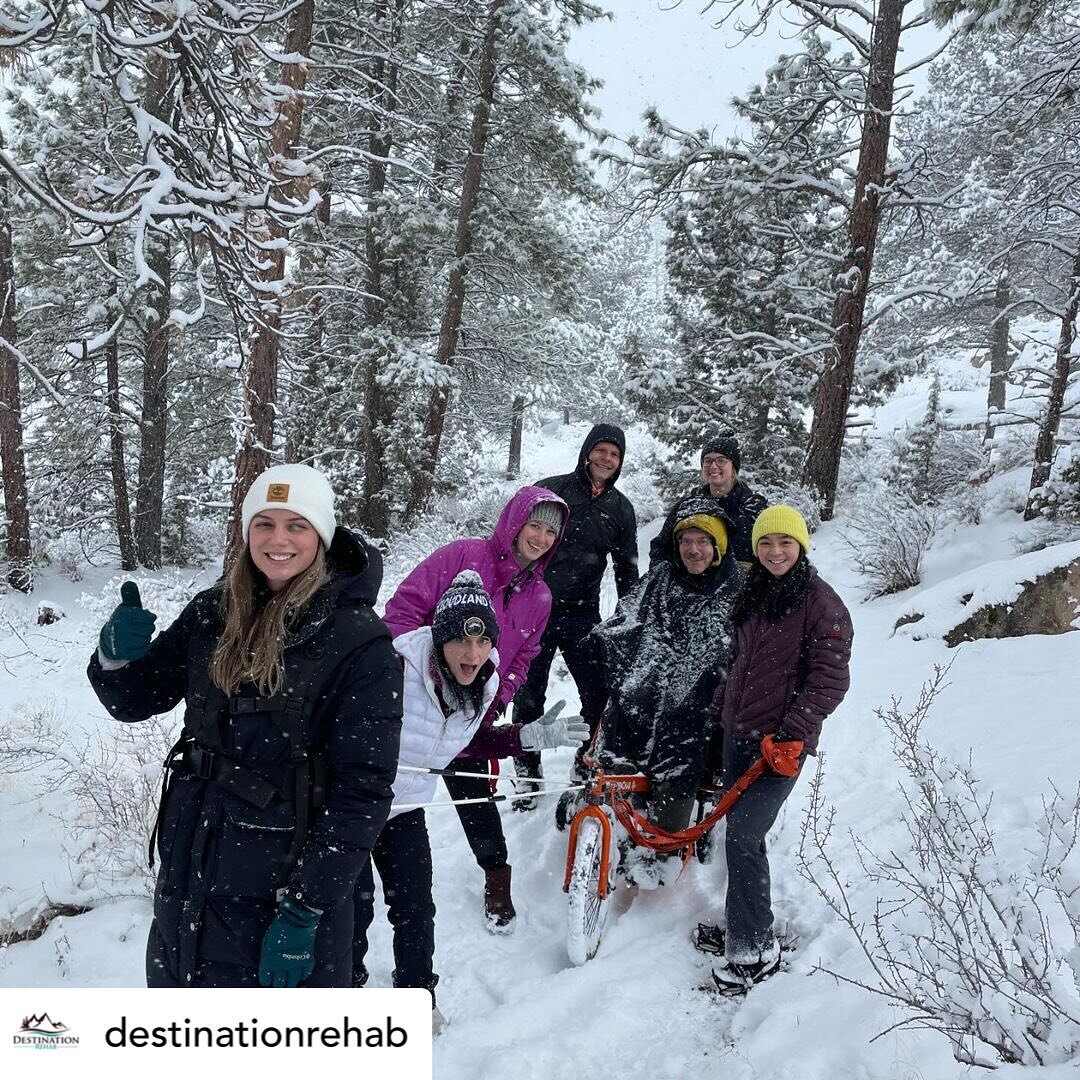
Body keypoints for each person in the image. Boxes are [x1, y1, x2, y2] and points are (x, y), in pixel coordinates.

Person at [87, 464, 402, 988]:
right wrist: (115, 659)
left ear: (321, 535)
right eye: (264, 523)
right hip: (190, 877)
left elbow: (363, 795)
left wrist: (305, 910)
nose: (278, 540)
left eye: (297, 525)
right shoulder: (214, 611)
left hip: (283, 897)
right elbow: (136, 700)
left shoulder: (359, 642)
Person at [371, 486, 585, 933]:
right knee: (385, 795)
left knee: (475, 795)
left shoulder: (541, 596)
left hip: (474, 714)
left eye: (551, 531)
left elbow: (525, 654)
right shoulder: (462, 557)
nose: (541, 538)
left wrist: (499, 696)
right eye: (535, 525)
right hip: (417, 709)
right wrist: (421, 678)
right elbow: (403, 612)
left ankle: (496, 876)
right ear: (515, 523)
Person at [694, 504, 853, 993]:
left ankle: (753, 952)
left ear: (801, 546)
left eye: (785, 543)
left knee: (743, 834)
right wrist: (718, 714)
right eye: (766, 543)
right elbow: (736, 661)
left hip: (780, 745)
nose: (775, 551)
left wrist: (792, 729)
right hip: (738, 735)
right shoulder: (754, 592)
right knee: (740, 836)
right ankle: (744, 924)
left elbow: (829, 680)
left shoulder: (821, 604)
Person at [354, 571, 514, 1033]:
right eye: (462, 640)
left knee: (415, 907)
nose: (473, 653)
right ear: (441, 638)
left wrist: (524, 737)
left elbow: (468, 744)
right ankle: (345, 989)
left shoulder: (482, 684)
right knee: (353, 908)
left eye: (483, 640)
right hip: (354, 805)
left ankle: (417, 996)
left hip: (406, 810)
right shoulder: (393, 668)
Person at [591, 499, 744, 882]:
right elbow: (629, 617)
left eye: (702, 541)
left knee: (685, 727)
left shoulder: (738, 587)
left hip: (706, 694)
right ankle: (617, 790)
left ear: (718, 546)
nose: (693, 549)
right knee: (629, 699)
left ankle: (665, 837)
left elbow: (738, 644)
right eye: (686, 541)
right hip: (657, 676)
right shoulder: (661, 578)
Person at [511, 423, 639, 810]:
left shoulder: (621, 509)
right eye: (601, 451)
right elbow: (516, 542)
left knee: (597, 695)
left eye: (614, 455)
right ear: (587, 452)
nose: (606, 459)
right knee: (528, 694)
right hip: (535, 611)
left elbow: (627, 569)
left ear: (620, 463)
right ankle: (526, 775)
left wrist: (627, 618)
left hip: (583, 615)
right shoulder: (553, 491)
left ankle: (584, 765)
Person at [649, 432, 767, 568]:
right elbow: (661, 548)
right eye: (708, 460)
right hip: (693, 586)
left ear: (733, 467)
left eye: (721, 460)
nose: (713, 466)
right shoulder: (688, 506)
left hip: (743, 586)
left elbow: (767, 553)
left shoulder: (753, 507)